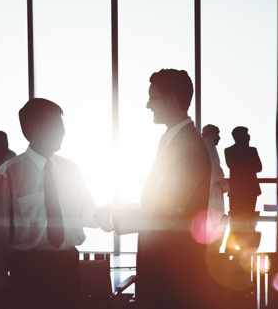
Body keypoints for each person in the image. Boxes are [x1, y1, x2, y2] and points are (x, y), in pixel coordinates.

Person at [95, 69, 212, 309]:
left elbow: (167, 211)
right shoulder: (170, 140)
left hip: (174, 268)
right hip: (161, 262)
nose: (148, 105)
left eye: (153, 98)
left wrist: (114, 217)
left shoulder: (188, 148)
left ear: (171, 100)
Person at [0, 98, 97, 309]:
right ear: (35, 129)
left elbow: (87, 210)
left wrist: (109, 216)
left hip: (68, 266)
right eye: (58, 124)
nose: (63, 131)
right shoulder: (9, 173)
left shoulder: (70, 169)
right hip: (30, 270)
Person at [201, 124, 230, 252]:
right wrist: (227, 187)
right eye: (217, 134)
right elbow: (217, 173)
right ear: (212, 134)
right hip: (213, 194)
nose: (219, 138)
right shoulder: (210, 149)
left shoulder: (201, 147)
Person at [225, 126, 262, 215]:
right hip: (237, 191)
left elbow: (259, 168)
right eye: (246, 134)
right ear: (239, 137)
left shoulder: (253, 150)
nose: (249, 137)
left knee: (250, 217)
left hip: (251, 190)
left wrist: (242, 165)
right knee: (236, 218)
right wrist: (249, 165)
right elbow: (232, 166)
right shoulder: (229, 151)